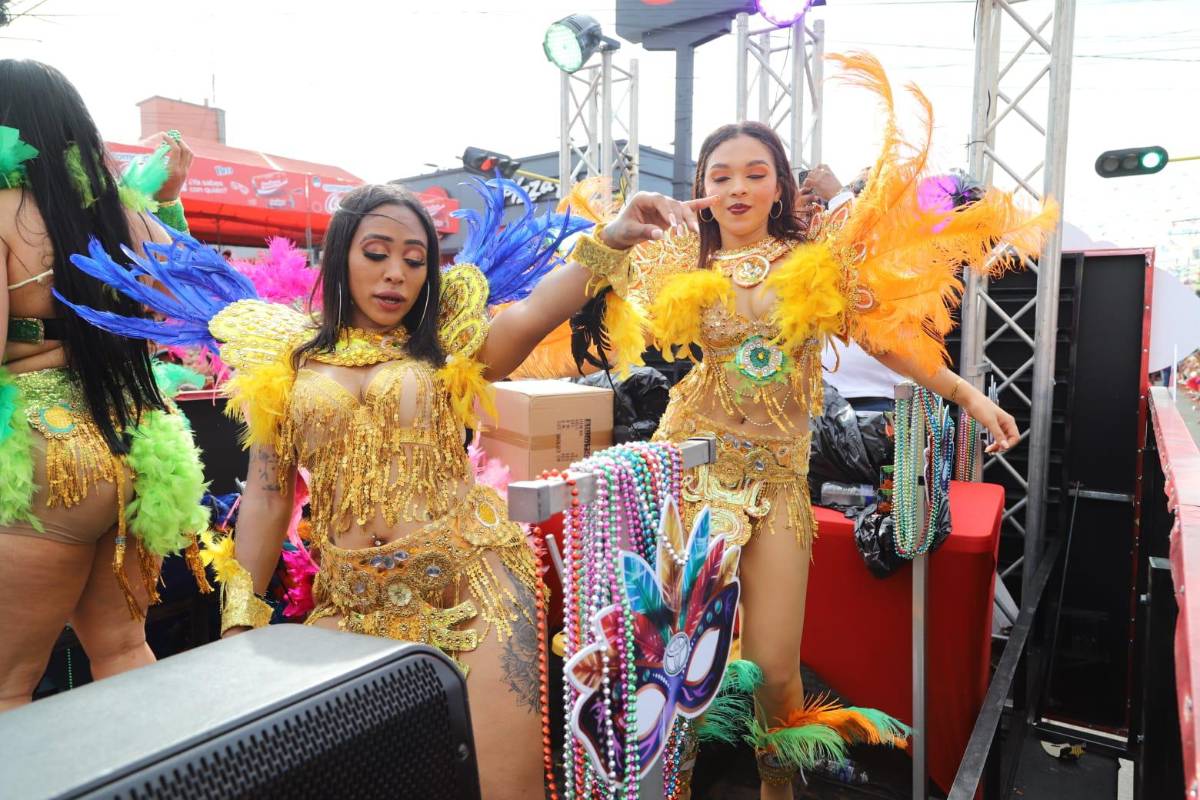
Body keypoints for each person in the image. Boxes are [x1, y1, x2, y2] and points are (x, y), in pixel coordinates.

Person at [563, 53, 1057, 798]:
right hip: (692, 463)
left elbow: (888, 340)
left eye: (754, 172)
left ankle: (776, 790)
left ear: (780, 183)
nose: (736, 187)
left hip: (779, 481)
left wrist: (971, 396)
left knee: (774, 661)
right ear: (702, 188)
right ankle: (673, 785)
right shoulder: (673, 260)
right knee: (677, 651)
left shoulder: (816, 262)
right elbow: (593, 280)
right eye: (720, 174)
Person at [0, 59, 208, 712]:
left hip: (40, 455)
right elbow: (193, 294)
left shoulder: (3, 212)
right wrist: (167, 199)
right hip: (135, 442)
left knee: (6, 683)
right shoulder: (123, 219)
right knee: (122, 649)